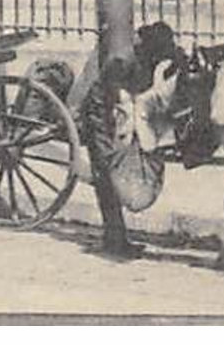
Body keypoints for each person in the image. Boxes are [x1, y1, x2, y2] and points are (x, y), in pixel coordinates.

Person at [75, 21, 186, 258]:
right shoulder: (123, 63)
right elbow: (111, 98)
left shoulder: (151, 58)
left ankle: (116, 237)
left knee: (111, 174)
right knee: (106, 172)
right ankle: (114, 239)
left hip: (118, 116)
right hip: (100, 117)